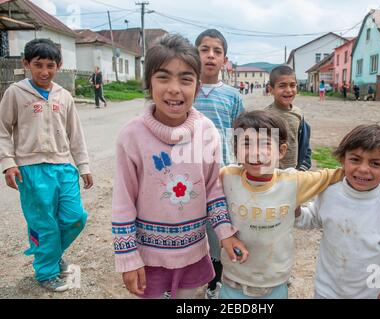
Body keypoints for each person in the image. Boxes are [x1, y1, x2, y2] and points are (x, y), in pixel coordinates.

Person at [112, 34, 248, 300]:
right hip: (149, 256)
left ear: (197, 86)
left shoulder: (206, 131)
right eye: (163, 77)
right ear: (149, 83)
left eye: (185, 79)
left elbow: (213, 189)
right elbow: (123, 201)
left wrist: (224, 233)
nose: (174, 88)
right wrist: (128, 257)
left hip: (194, 250)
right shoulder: (132, 135)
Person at [0, 38, 93, 291]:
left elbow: (76, 134)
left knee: (76, 218)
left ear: (59, 66)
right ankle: (46, 273)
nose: (44, 71)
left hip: (63, 167)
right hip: (31, 169)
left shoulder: (64, 96)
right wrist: (8, 163)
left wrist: (83, 166)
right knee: (45, 223)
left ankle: (48, 254)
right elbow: (3, 130)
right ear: (26, 64)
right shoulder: (16, 93)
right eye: (38, 65)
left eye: (50, 65)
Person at [219, 110, 344, 299]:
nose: (255, 152)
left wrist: (376, 185)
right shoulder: (227, 176)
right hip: (233, 279)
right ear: (235, 149)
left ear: (282, 151)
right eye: (246, 144)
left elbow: (334, 175)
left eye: (266, 144)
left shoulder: (293, 182)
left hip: (275, 282)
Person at [296, 124, 380, 299]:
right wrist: (296, 212)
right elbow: (313, 218)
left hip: (370, 292)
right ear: (343, 160)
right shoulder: (329, 193)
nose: (363, 169)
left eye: (375, 163)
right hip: (326, 291)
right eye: (355, 159)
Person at [194, 28, 245, 299]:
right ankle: (176, 281)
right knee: (187, 227)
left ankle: (214, 283)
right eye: (205, 49)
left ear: (225, 59)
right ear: (195, 53)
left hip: (221, 174)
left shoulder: (234, 96)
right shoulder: (186, 90)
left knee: (218, 229)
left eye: (217, 51)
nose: (210, 56)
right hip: (186, 173)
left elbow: (241, 137)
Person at [265, 65, 312, 171]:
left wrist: (303, 165)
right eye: (282, 86)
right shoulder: (265, 116)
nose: (288, 90)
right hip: (272, 171)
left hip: (294, 170)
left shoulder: (298, 114)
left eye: (292, 85)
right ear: (271, 89)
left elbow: (304, 142)